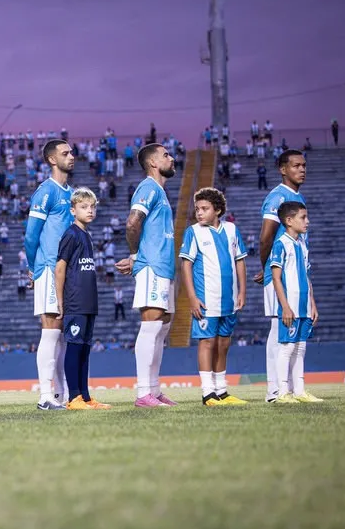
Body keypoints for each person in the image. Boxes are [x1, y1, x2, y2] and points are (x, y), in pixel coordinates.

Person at [115, 144, 178, 407]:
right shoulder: (148, 188)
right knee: (151, 326)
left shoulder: (160, 191)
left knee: (162, 329)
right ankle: (143, 393)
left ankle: (154, 389)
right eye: (165, 155)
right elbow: (132, 222)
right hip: (152, 265)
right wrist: (134, 256)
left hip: (164, 267)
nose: (171, 158)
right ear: (152, 163)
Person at [179, 188, 249, 406]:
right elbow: (186, 265)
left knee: (223, 343)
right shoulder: (193, 232)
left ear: (217, 210)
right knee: (207, 342)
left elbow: (239, 260)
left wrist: (242, 291)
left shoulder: (232, 230)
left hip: (228, 298)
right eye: (197, 209)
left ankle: (222, 391)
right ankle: (208, 393)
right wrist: (192, 297)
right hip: (205, 299)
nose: (199, 213)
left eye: (204, 208)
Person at [24, 140, 74, 410]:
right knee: (51, 328)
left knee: (63, 332)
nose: (72, 156)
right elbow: (31, 236)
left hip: (68, 271)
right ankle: (45, 395)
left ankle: (63, 394)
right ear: (52, 160)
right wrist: (35, 268)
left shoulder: (72, 193)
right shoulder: (46, 192)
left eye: (71, 152)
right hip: (48, 268)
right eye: (65, 153)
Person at [254, 150, 307, 402]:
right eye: (296, 165)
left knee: (293, 331)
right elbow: (265, 237)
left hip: (295, 275)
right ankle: (274, 391)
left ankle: (293, 389)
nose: (302, 169)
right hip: (279, 274)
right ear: (283, 169)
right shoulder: (277, 197)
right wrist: (267, 268)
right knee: (279, 328)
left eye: (304, 165)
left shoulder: (298, 197)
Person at [54, 187, 111, 410]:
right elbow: (60, 268)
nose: (90, 211)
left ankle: (85, 397)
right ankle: (73, 398)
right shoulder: (70, 234)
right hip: (75, 300)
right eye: (84, 207)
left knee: (85, 349)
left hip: (88, 301)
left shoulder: (86, 235)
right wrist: (60, 300)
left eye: (92, 207)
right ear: (73, 210)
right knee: (75, 347)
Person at [269, 202, 322, 403]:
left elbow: (306, 276)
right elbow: (276, 278)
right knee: (287, 348)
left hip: (304, 306)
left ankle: (299, 391)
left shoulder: (302, 244)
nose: (307, 221)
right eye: (303, 217)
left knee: (300, 348)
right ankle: (283, 392)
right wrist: (285, 306)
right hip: (290, 305)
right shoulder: (281, 244)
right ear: (289, 221)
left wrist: (312, 304)